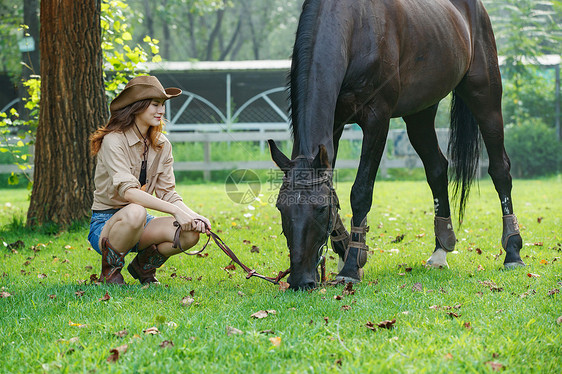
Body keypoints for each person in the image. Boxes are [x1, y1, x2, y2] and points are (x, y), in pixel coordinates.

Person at [88, 75, 211, 285]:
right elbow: (128, 193)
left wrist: (193, 216)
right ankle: (110, 273)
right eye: (155, 104)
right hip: (106, 224)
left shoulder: (162, 144)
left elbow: (168, 193)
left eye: (162, 105)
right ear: (137, 106)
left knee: (190, 233)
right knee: (136, 210)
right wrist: (175, 212)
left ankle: (143, 266)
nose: (161, 111)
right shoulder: (113, 140)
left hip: (142, 222)